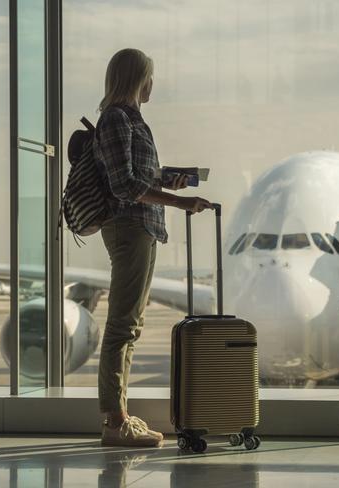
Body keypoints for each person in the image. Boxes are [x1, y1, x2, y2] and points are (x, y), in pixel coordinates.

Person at [93, 48, 212, 447]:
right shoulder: (115, 119)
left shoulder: (130, 120)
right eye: (149, 76)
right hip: (129, 226)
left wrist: (168, 179)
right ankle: (114, 422)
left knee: (130, 325)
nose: (152, 85)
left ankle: (119, 414)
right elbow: (124, 185)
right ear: (135, 79)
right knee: (122, 326)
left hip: (141, 226)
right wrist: (179, 202)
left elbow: (139, 175)